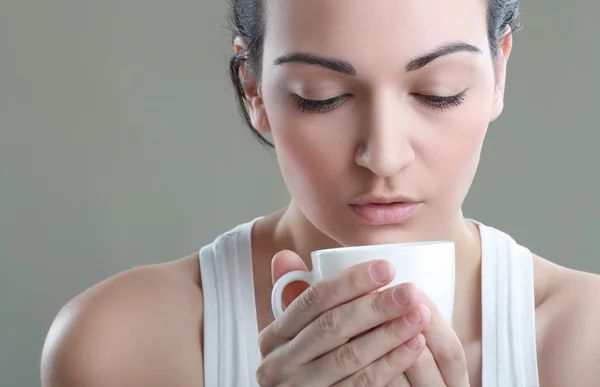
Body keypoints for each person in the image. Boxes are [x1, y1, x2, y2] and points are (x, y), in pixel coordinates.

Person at [41, 0, 600, 386]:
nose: (383, 155)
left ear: (498, 72)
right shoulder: (124, 346)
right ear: (253, 89)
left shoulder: (583, 344)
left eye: (439, 93)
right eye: (322, 96)